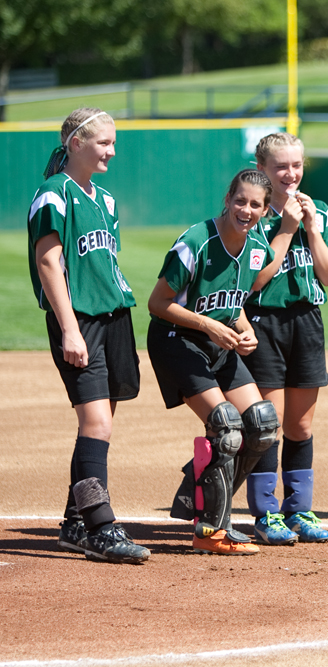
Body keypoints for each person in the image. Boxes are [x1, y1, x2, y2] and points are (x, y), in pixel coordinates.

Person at [29, 107, 149, 564]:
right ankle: (100, 528)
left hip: (114, 316)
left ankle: (75, 521)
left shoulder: (105, 199)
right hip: (80, 321)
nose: (111, 151)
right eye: (103, 142)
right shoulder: (53, 195)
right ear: (76, 143)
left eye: (113, 142)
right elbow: (48, 263)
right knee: (94, 423)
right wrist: (69, 330)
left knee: (101, 427)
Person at [151, 169, 281, 555]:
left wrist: (244, 330)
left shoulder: (258, 248)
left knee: (262, 424)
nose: (246, 209)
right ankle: (210, 532)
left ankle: (201, 492)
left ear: (265, 210)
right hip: (177, 339)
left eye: (255, 204)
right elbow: (158, 304)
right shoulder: (196, 242)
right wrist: (210, 325)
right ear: (227, 198)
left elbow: (231, 301)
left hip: (217, 341)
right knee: (226, 426)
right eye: (240, 200)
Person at [240, 132, 328, 545]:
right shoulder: (250, 215)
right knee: (270, 424)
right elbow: (256, 279)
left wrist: (312, 229)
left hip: (307, 322)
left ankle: (298, 510)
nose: (291, 173)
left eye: (297, 165)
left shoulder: (317, 212)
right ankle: (266, 514)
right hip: (266, 323)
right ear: (262, 169)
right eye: (281, 166)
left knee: (301, 424)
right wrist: (286, 228)